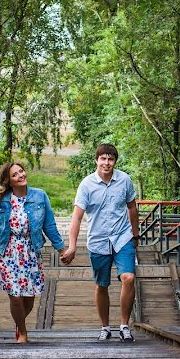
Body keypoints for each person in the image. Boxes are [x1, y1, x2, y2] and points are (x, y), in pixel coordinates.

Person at [0, 161, 66, 343]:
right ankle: (23, 333)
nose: (21, 175)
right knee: (16, 297)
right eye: (15, 174)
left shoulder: (40, 196)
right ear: (8, 181)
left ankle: (18, 324)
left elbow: (49, 226)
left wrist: (61, 248)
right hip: (7, 253)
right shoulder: (2, 201)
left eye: (22, 171)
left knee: (29, 300)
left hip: (30, 253)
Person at [60, 143, 139, 342]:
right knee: (101, 285)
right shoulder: (86, 185)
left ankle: (124, 325)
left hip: (123, 238)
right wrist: (72, 246)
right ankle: (105, 327)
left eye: (110, 159)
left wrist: (136, 235)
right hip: (98, 241)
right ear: (97, 160)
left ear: (115, 161)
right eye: (103, 158)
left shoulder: (125, 180)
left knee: (128, 278)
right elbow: (77, 218)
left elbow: (132, 208)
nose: (106, 162)